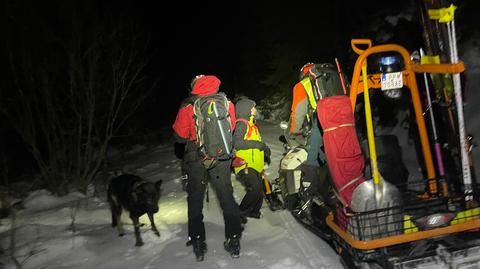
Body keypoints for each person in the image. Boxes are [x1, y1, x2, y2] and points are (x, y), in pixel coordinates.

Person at [172, 75, 242, 261]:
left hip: (196, 158)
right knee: (226, 196)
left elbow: (179, 135)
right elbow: (232, 126)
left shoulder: (188, 105)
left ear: (194, 86)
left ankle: (197, 242)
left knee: (195, 198)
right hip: (221, 157)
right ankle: (234, 239)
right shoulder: (226, 102)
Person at [289, 63, 330, 205]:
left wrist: (294, 130)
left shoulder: (302, 85)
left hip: (321, 122)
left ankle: (309, 194)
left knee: (312, 157)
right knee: (331, 154)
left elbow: (298, 111)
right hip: (342, 119)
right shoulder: (328, 78)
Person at [232, 97, 271, 220]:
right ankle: (240, 212)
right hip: (246, 164)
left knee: (259, 191)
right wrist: (258, 145)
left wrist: (265, 149)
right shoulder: (241, 124)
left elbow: (256, 143)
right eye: (253, 107)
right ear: (246, 110)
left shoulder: (252, 125)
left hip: (256, 165)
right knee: (255, 189)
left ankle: (254, 211)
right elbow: (237, 143)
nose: (255, 109)